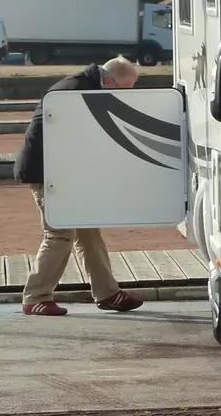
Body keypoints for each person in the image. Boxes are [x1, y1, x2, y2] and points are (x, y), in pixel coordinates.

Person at [14, 57, 145, 316]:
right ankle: (35, 297)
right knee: (59, 234)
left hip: (66, 173)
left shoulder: (85, 88)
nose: (126, 98)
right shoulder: (73, 91)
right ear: (108, 81)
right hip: (49, 174)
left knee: (88, 233)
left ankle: (107, 292)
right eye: (124, 91)